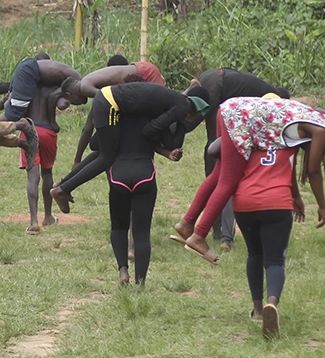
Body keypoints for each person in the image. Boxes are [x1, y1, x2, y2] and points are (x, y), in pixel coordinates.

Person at [171, 97, 325, 265]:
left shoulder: (309, 117)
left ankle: (187, 223)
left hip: (230, 109)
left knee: (218, 174)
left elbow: (290, 163)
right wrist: (322, 206)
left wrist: (295, 196)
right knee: (228, 181)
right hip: (240, 118)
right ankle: (199, 236)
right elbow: (313, 171)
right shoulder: (320, 130)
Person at [183, 68, 290, 253]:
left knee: (216, 170)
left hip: (212, 81)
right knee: (223, 174)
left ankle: (209, 229)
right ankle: (218, 233)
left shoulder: (257, 91)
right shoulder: (269, 100)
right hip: (217, 85)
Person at [50, 84, 203, 212]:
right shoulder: (182, 107)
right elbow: (149, 130)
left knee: (102, 152)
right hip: (111, 103)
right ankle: (63, 190)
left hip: (108, 99)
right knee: (107, 158)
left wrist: (166, 150)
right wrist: (179, 126)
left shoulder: (171, 101)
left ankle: (61, 185)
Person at [103, 95, 183, 288]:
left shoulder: (113, 117)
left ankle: (123, 269)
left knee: (118, 227)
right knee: (141, 233)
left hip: (118, 175)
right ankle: (141, 283)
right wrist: (169, 150)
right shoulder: (153, 117)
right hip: (144, 174)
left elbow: (96, 144)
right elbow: (164, 141)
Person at [230, 137, 305, 339]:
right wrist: (296, 197)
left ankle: (257, 311)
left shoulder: (244, 139)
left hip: (244, 202)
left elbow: (214, 149)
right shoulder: (290, 141)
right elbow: (290, 173)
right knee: (274, 261)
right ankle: (271, 304)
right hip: (278, 202)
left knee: (254, 253)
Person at [22, 78, 66, 232]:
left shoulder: (26, 84)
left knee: (32, 177)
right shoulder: (54, 85)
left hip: (29, 129)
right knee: (47, 173)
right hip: (48, 130)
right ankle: (48, 216)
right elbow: (62, 104)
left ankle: (34, 220)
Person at [2, 55, 81, 123]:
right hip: (29, 70)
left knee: (13, 108)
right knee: (15, 114)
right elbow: (53, 97)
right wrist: (53, 122)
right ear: (73, 94)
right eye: (74, 102)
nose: (71, 102)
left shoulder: (64, 81)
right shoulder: (75, 81)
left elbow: (60, 103)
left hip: (26, 66)